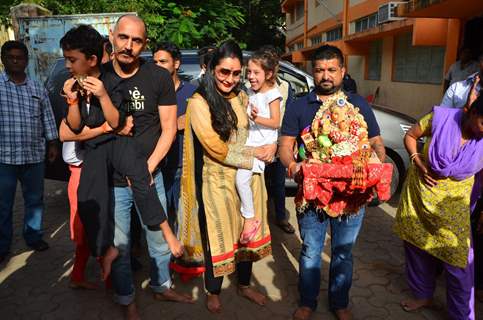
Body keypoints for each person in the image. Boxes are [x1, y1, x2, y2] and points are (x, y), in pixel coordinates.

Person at [60, 25, 176, 280]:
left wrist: (150, 166)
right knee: (95, 216)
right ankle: (123, 292)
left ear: (145, 43)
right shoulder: (89, 78)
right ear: (111, 36)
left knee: (156, 236)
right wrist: (101, 125)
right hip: (104, 169)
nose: (128, 45)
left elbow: (166, 128)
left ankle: (163, 284)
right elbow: (68, 131)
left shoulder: (144, 78)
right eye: (123, 37)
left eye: (136, 40)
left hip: (143, 167)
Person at [279, 44, 385, 320]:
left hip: (351, 196)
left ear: (342, 71)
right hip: (313, 194)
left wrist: (375, 168)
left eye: (331, 70)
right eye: (319, 70)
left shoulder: (358, 104)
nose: (325, 75)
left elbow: (375, 142)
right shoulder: (299, 105)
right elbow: (285, 144)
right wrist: (293, 165)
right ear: (312, 72)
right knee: (311, 250)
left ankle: (340, 303)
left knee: (343, 252)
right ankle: (307, 302)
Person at [176, 40, 276, 313]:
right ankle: (213, 289)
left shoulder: (242, 96)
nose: (230, 79)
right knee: (218, 237)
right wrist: (254, 153)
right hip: (217, 180)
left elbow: (260, 127)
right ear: (211, 69)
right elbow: (215, 147)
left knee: (249, 233)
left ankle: (244, 285)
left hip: (249, 177)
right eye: (223, 72)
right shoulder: (199, 102)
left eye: (235, 73)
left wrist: (271, 146)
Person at [393, 86, 483, 319]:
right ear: (473, 113)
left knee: (460, 263)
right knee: (416, 247)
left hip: (453, 209)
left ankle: (462, 314)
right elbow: (411, 136)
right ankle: (422, 294)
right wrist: (417, 161)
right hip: (420, 196)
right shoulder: (442, 118)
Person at [0, 40, 59, 264]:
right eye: (11, 57)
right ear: (3, 59)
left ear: (26, 61)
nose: (15, 60)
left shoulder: (36, 87)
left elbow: (48, 117)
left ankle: (33, 237)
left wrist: (52, 144)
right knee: (3, 204)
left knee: (35, 200)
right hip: (4, 157)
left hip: (34, 155)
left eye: (20, 57)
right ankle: (3, 245)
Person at [236, 49, 281, 243]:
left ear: (269, 74)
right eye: (250, 72)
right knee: (242, 182)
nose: (251, 76)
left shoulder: (272, 94)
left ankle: (250, 217)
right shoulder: (251, 92)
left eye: (256, 73)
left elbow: (276, 122)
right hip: (251, 141)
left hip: (261, 144)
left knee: (241, 181)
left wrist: (255, 117)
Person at [152, 42, 196, 232]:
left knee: (184, 224)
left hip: (183, 168)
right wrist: (171, 124)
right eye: (155, 62)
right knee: (159, 225)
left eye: (163, 61)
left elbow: (207, 126)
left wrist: (190, 121)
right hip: (156, 168)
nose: (158, 66)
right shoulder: (149, 93)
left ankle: (183, 261)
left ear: (176, 64)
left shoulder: (192, 93)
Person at [258, 45, 295, 234]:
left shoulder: (286, 86)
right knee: (257, 183)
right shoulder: (250, 85)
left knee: (279, 183)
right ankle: (259, 221)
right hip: (256, 144)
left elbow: (288, 118)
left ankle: (280, 217)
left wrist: (289, 143)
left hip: (278, 142)